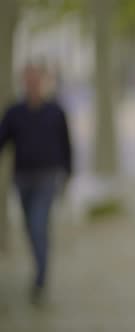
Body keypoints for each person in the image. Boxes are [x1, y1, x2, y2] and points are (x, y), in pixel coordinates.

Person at [0, 63, 72, 304]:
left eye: (35, 80)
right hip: (22, 180)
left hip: (47, 178)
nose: (32, 84)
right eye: (27, 80)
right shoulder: (14, 113)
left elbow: (66, 144)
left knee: (39, 225)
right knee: (30, 229)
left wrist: (68, 174)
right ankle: (39, 267)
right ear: (23, 82)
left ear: (41, 82)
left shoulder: (55, 112)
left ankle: (40, 279)